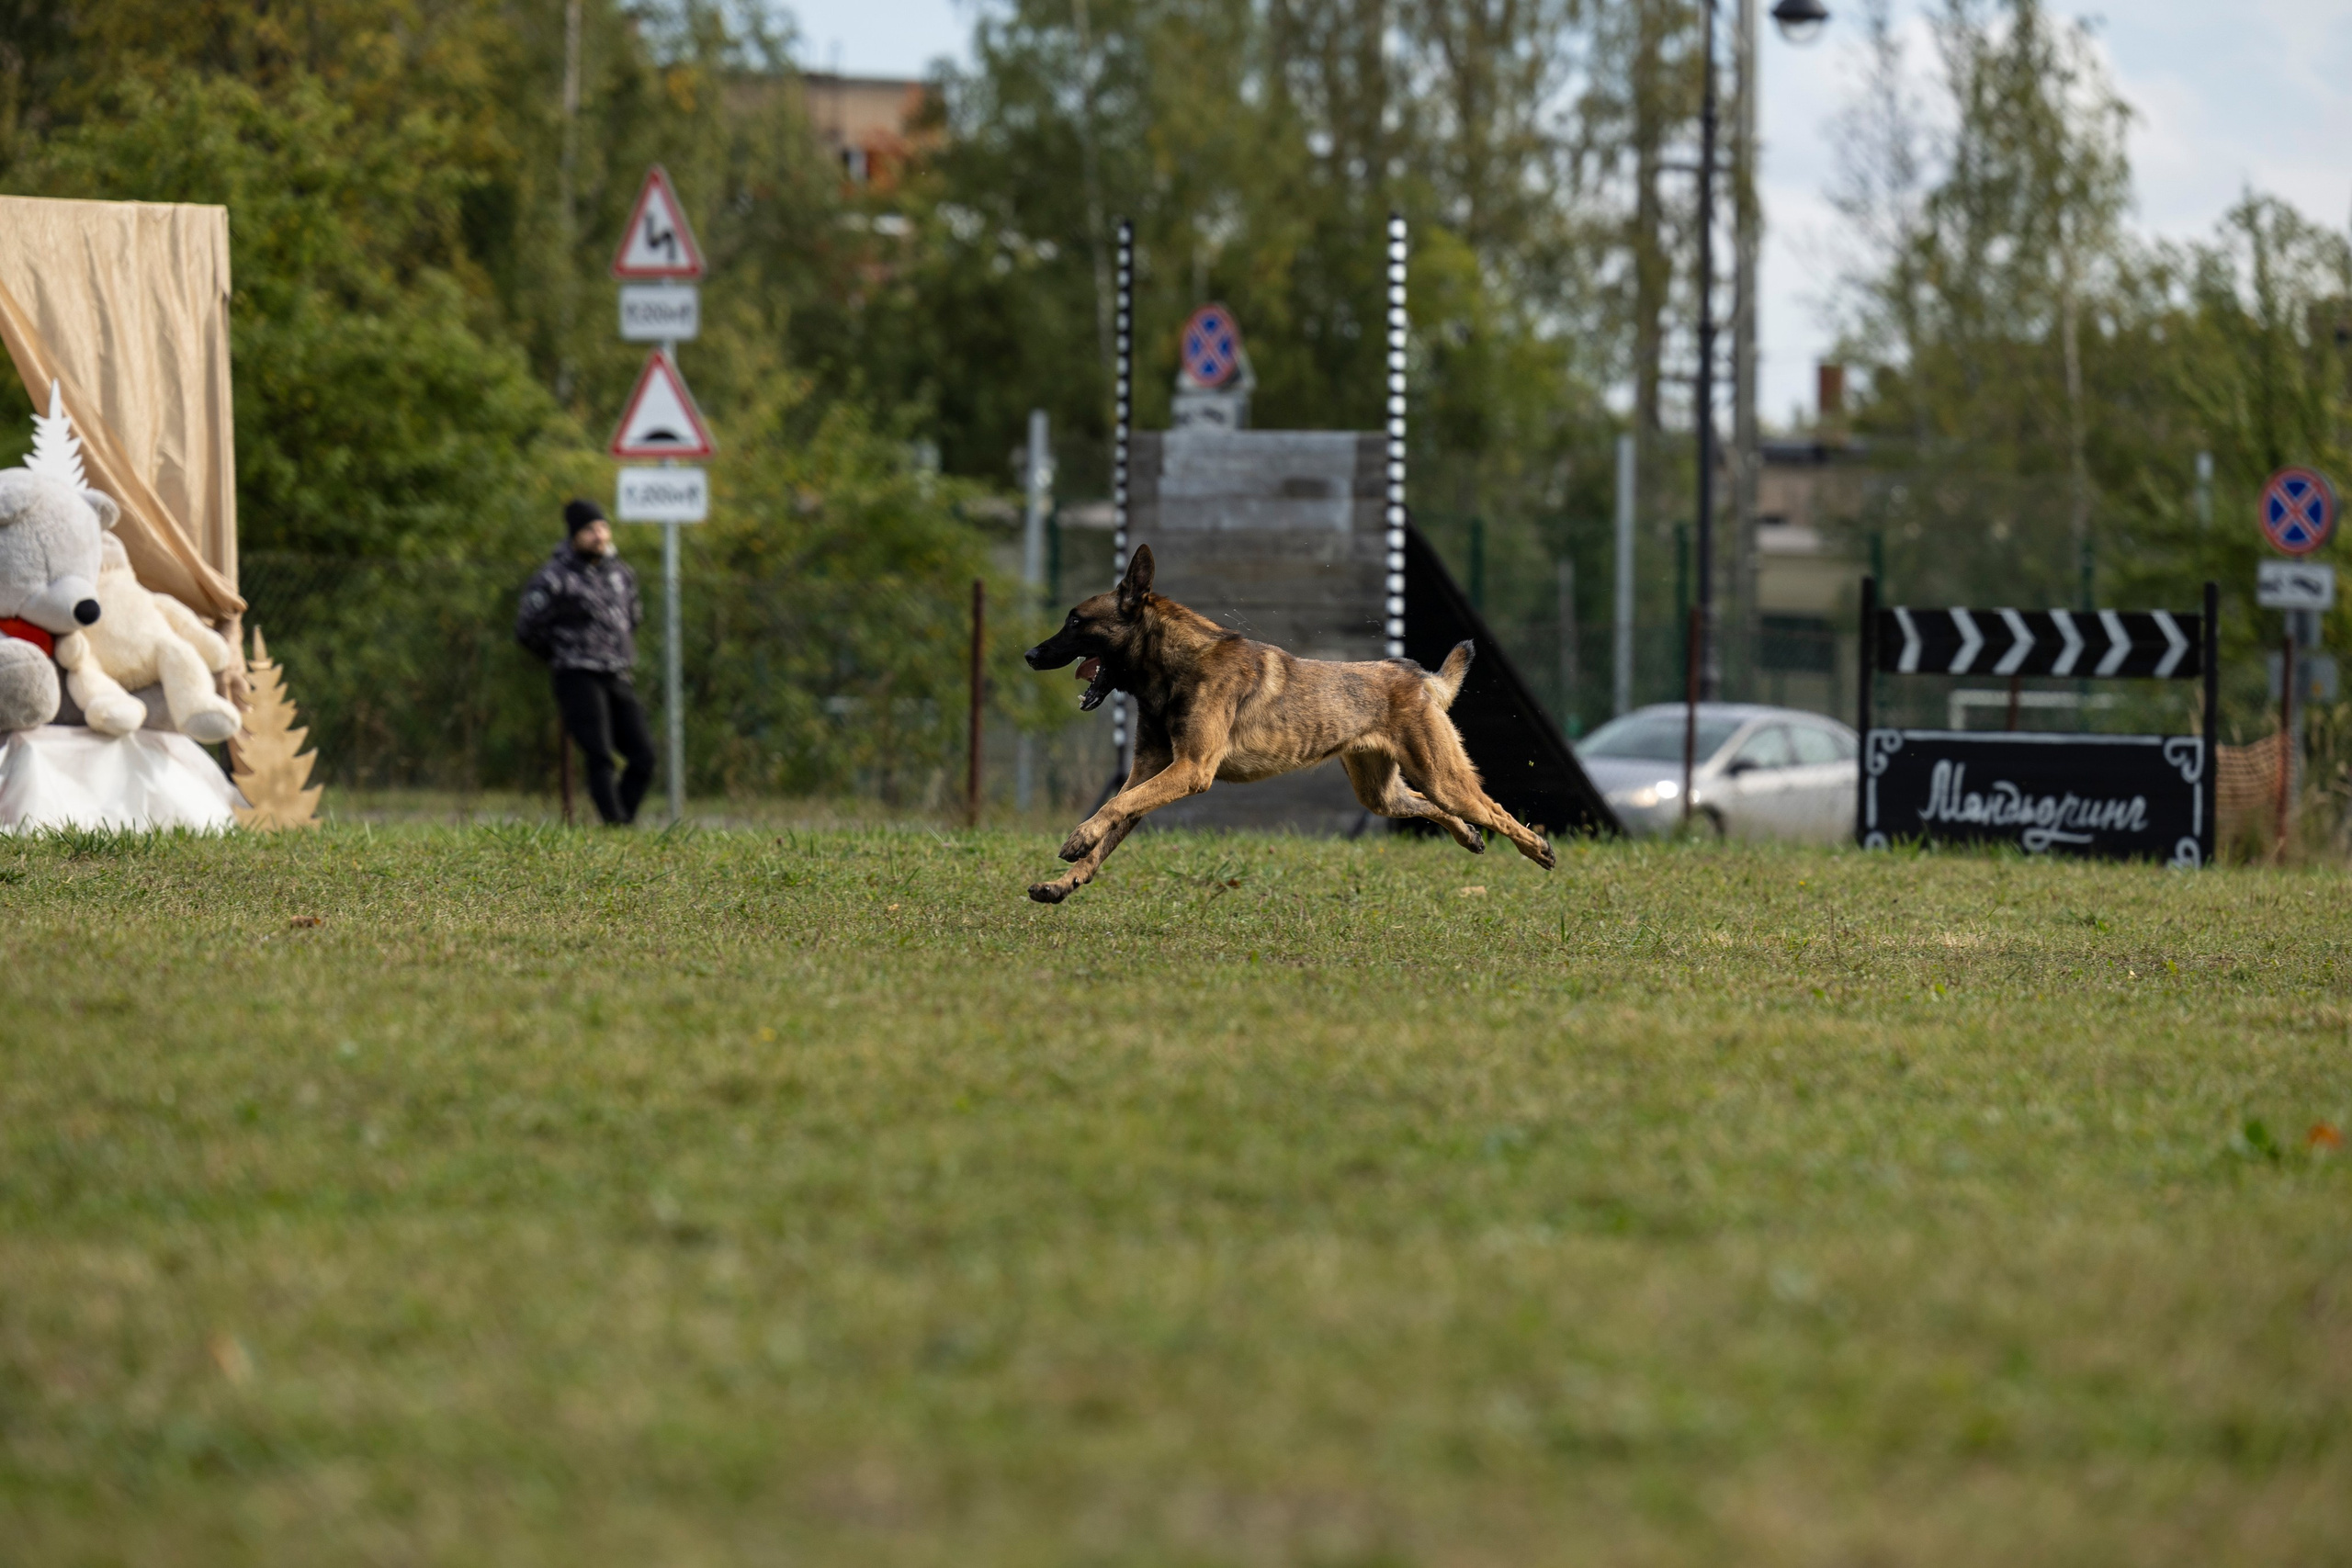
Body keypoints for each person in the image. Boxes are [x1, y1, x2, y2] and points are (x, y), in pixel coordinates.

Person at [515, 499, 656, 824]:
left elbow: (633, 617)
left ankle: (621, 823)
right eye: (590, 529)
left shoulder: (621, 574)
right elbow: (527, 627)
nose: (599, 535)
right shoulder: (554, 577)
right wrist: (562, 655)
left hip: (617, 671)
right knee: (600, 755)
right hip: (576, 673)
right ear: (574, 535)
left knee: (643, 755)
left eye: (602, 527)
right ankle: (615, 825)